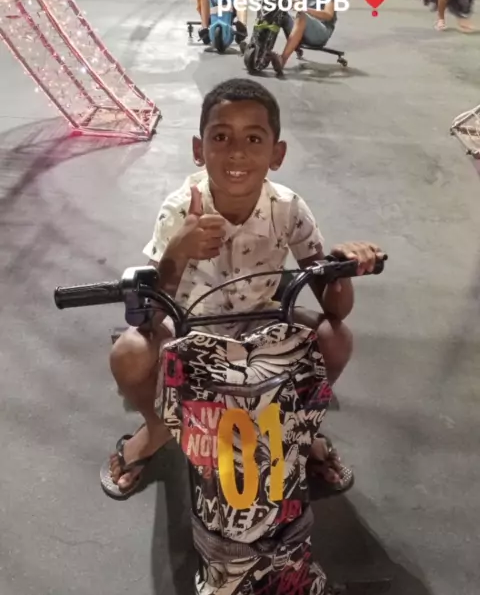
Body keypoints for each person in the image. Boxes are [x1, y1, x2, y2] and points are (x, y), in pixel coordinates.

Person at [104, 78, 385, 500]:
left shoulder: (288, 208)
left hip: (263, 324)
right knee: (129, 352)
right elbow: (152, 315)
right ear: (199, 149)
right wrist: (178, 251)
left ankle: (302, 426)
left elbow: (335, 308)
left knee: (335, 337)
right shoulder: (180, 208)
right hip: (189, 327)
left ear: (277, 154)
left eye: (254, 139)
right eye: (221, 137)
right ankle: (158, 428)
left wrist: (340, 267)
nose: (236, 151)